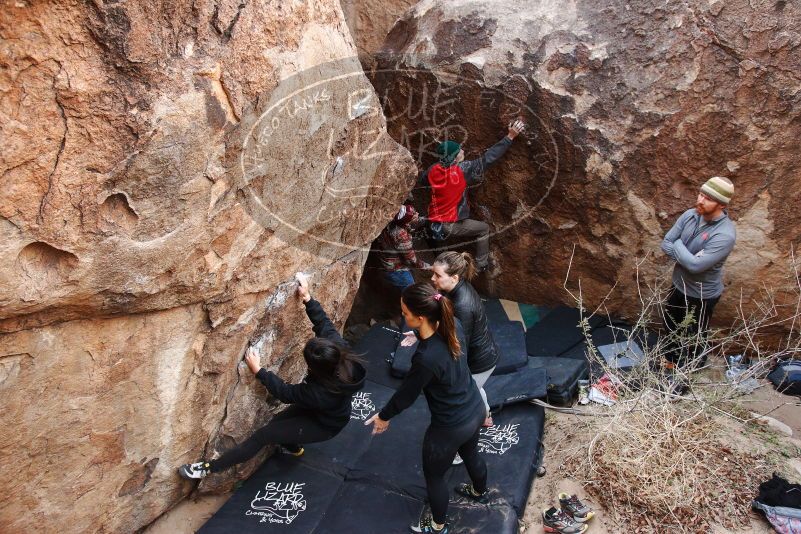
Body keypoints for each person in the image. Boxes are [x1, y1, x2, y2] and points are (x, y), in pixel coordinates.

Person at [178, 273, 365, 479]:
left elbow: (285, 392)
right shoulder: (340, 352)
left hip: (324, 425)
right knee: (279, 421)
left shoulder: (319, 393)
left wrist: (259, 371)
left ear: (317, 369)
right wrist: (307, 298)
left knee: (264, 435)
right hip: (329, 409)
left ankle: (208, 469)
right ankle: (294, 448)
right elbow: (324, 325)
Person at [365, 283, 488, 534]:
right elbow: (437, 344)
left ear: (421, 318)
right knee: (471, 454)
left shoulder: (426, 359)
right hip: (475, 410)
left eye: (405, 314)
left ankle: (438, 526)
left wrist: (383, 417)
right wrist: (418, 334)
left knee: (434, 477)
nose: (402, 316)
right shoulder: (452, 322)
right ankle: (479, 491)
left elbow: (406, 395)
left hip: (450, 427)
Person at [421, 120, 525, 271]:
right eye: (460, 150)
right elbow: (488, 158)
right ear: (455, 157)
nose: (462, 150)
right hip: (449, 225)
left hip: (433, 221)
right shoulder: (462, 170)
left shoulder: (433, 169)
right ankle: (481, 265)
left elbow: (423, 178)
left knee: (442, 252)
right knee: (483, 229)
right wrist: (510, 136)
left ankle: (440, 259)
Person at [660, 176, 737, 369]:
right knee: (671, 327)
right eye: (701, 194)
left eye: (708, 198)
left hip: (702, 295)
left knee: (695, 335)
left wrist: (678, 245)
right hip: (678, 285)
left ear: (721, 205)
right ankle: (670, 365)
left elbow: (695, 267)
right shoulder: (690, 215)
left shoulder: (724, 234)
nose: (700, 201)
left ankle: (693, 369)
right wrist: (687, 255)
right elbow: (666, 243)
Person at [430, 251, 498, 427]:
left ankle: (474, 424)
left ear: (454, 277)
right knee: (476, 389)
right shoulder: (458, 286)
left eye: (438, 275)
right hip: (483, 352)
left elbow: (459, 344)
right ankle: (485, 417)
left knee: (463, 398)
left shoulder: (463, 306)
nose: (432, 278)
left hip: (479, 360)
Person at [376, 203, 431, 291]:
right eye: (414, 214)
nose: (417, 214)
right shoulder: (402, 236)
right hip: (395, 269)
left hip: (384, 258)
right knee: (410, 290)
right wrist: (428, 267)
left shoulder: (392, 222)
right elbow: (412, 260)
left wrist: (428, 218)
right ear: (407, 221)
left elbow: (409, 223)